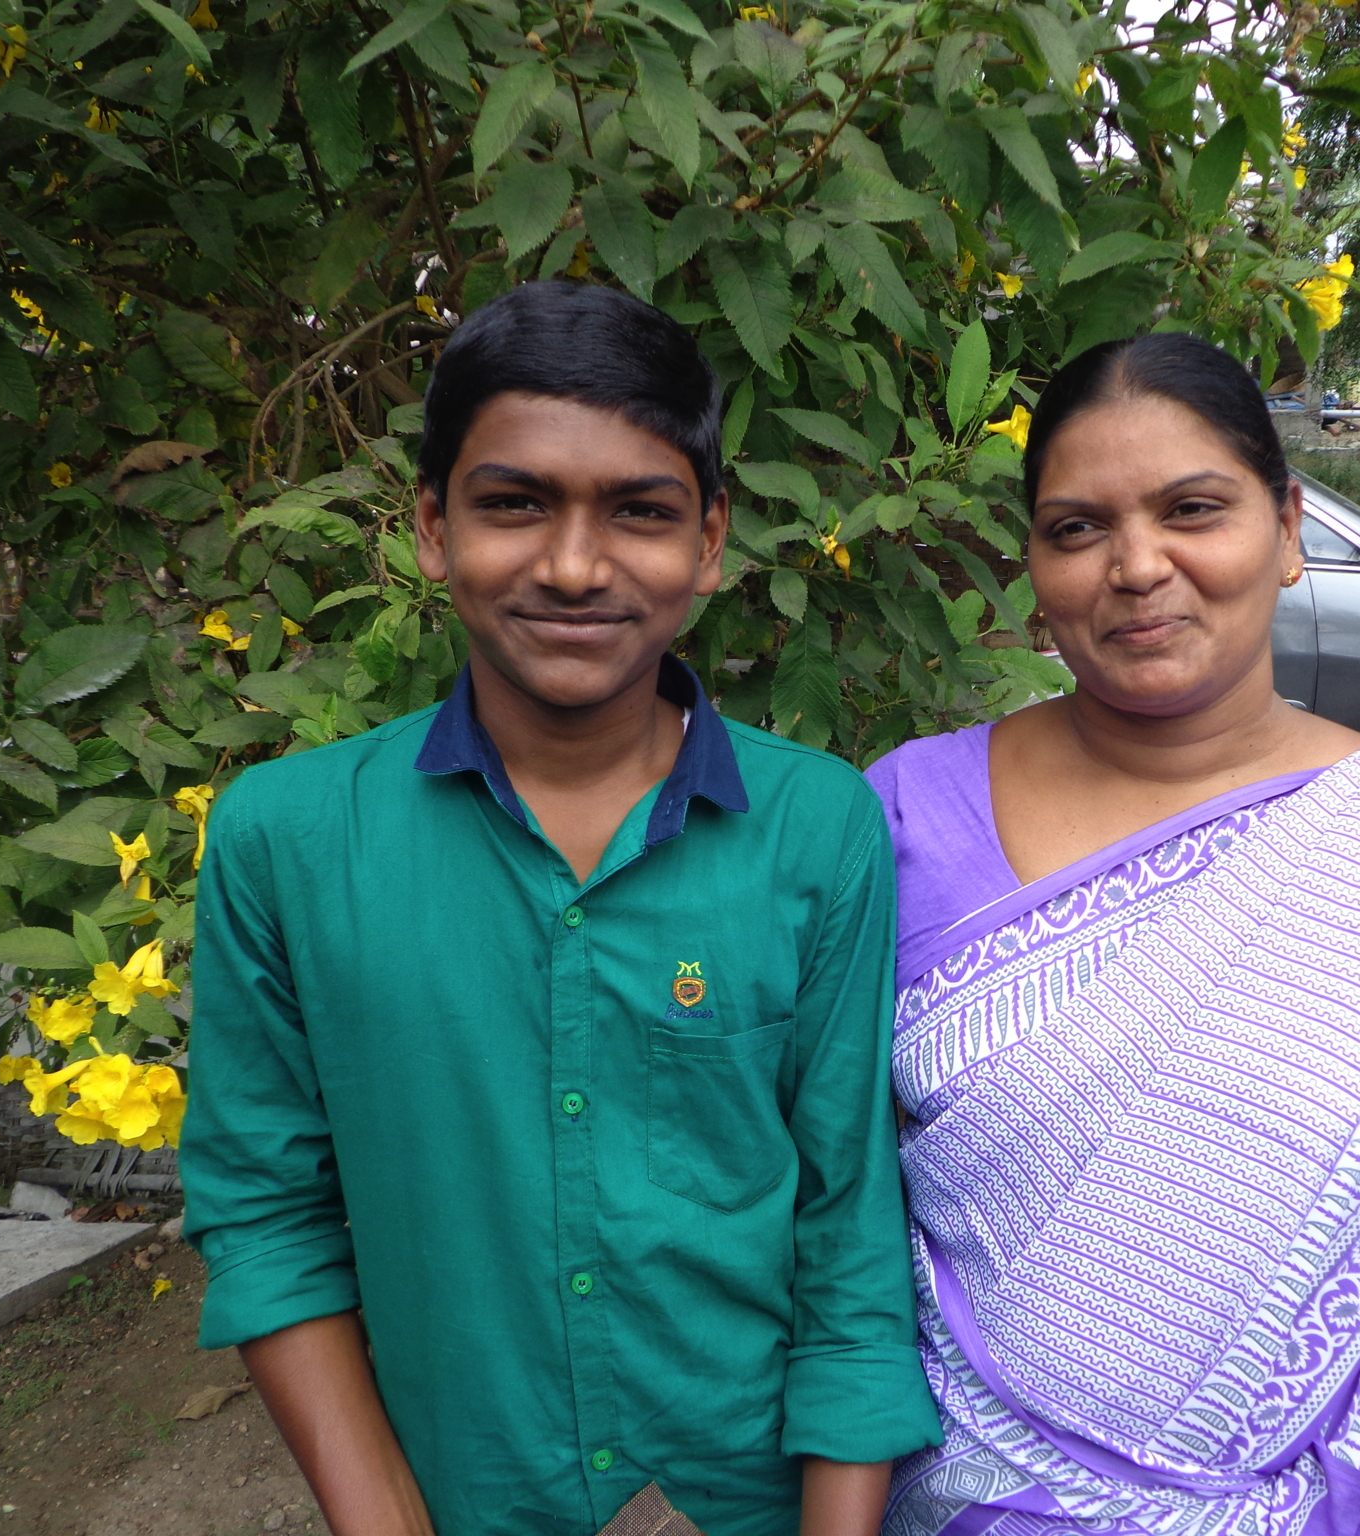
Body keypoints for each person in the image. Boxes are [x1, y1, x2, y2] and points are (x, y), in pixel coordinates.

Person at [869, 333, 1360, 1536]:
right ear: (1031, 563)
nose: (1137, 565)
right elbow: (833, 1233)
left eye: (1192, 509)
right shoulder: (902, 815)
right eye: (1076, 528)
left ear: (1287, 529)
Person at [180, 282, 939, 1536]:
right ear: (433, 527)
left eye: (639, 511)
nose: (575, 567)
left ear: (708, 541)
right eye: (514, 504)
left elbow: (846, 1230)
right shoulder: (286, 840)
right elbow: (266, 1216)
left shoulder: (816, 829)